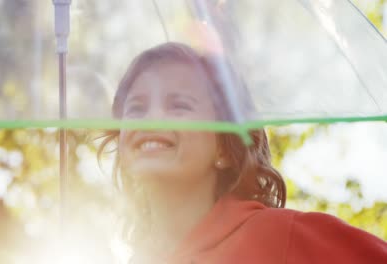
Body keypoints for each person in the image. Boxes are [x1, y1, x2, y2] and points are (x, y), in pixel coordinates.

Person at [98, 42, 387, 263]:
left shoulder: (278, 236)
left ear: (224, 147)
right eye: (136, 108)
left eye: (179, 106)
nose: (152, 118)